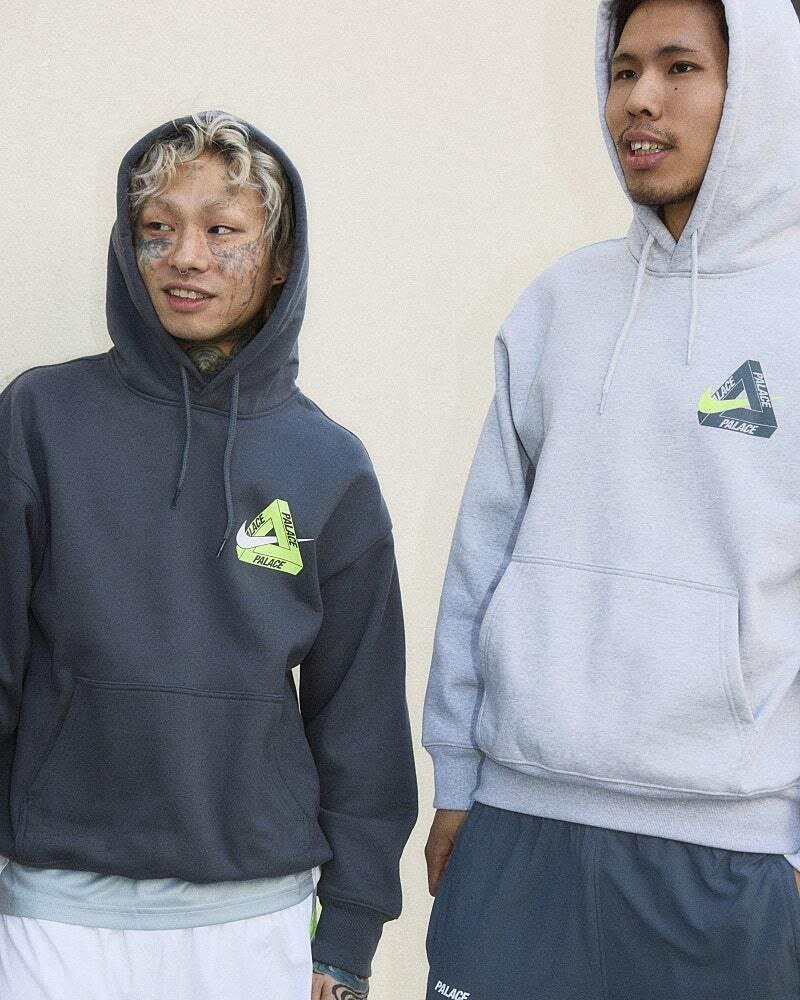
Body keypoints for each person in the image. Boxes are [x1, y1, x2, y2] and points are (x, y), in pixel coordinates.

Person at [423, 0, 800, 996]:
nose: (638, 99)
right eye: (623, 69)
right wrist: (456, 777)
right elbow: (480, 557)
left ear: (759, 89)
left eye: (679, 67)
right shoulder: (559, 304)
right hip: (519, 825)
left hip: (730, 855)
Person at [0, 111, 417, 1000]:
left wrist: (346, 937)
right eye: (158, 228)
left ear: (279, 258)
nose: (185, 256)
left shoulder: (328, 464)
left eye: (222, 231)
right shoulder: (40, 419)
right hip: (55, 911)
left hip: (255, 918)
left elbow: (361, 716)